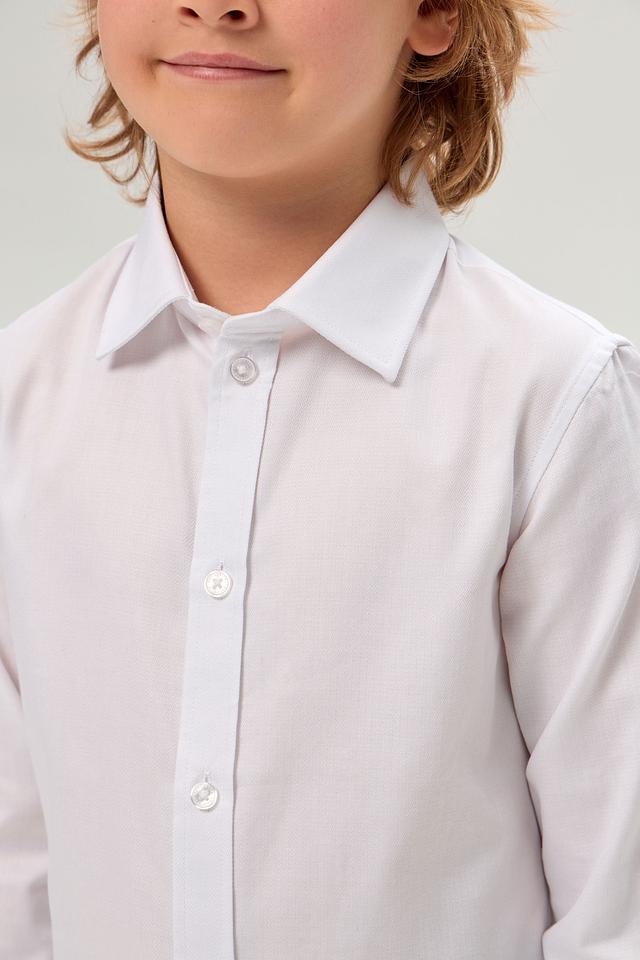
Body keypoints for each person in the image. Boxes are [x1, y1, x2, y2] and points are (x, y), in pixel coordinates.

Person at [1, 0, 639, 957]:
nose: (216, 5)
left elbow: (618, 907)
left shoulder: (550, 402)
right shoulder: (21, 397)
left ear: (434, 11)